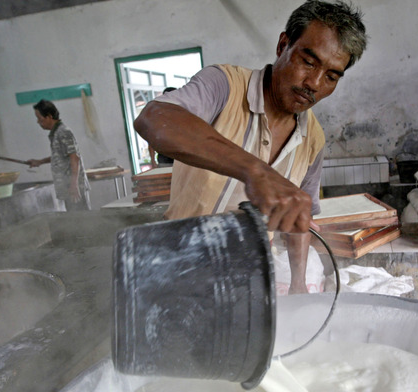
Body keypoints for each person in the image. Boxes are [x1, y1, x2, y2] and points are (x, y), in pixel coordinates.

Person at [134, 0, 367, 294]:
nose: (314, 83)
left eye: (332, 76)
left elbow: (300, 219)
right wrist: (255, 172)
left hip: (250, 278)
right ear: (283, 45)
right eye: (308, 61)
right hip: (179, 268)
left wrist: (298, 283)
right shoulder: (225, 86)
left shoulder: (314, 139)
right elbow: (154, 117)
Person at [28, 99, 91, 211]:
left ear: (49, 116)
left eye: (39, 118)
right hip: (68, 187)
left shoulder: (63, 132)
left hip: (74, 188)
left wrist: (73, 185)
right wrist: (40, 162)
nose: (38, 122)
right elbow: (61, 157)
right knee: (74, 220)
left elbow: (74, 158)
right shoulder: (55, 133)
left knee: (81, 219)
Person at [148, 87, 177, 168]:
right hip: (165, 162)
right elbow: (151, 141)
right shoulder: (158, 117)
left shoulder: (182, 115)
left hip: (182, 161)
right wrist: (153, 161)